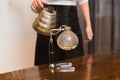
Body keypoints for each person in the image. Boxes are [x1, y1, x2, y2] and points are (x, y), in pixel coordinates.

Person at [31, 0, 93, 66]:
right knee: (45, 64)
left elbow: (82, 0)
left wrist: (88, 25)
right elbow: (36, 6)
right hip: (47, 17)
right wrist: (36, 6)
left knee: (74, 63)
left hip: (70, 17)